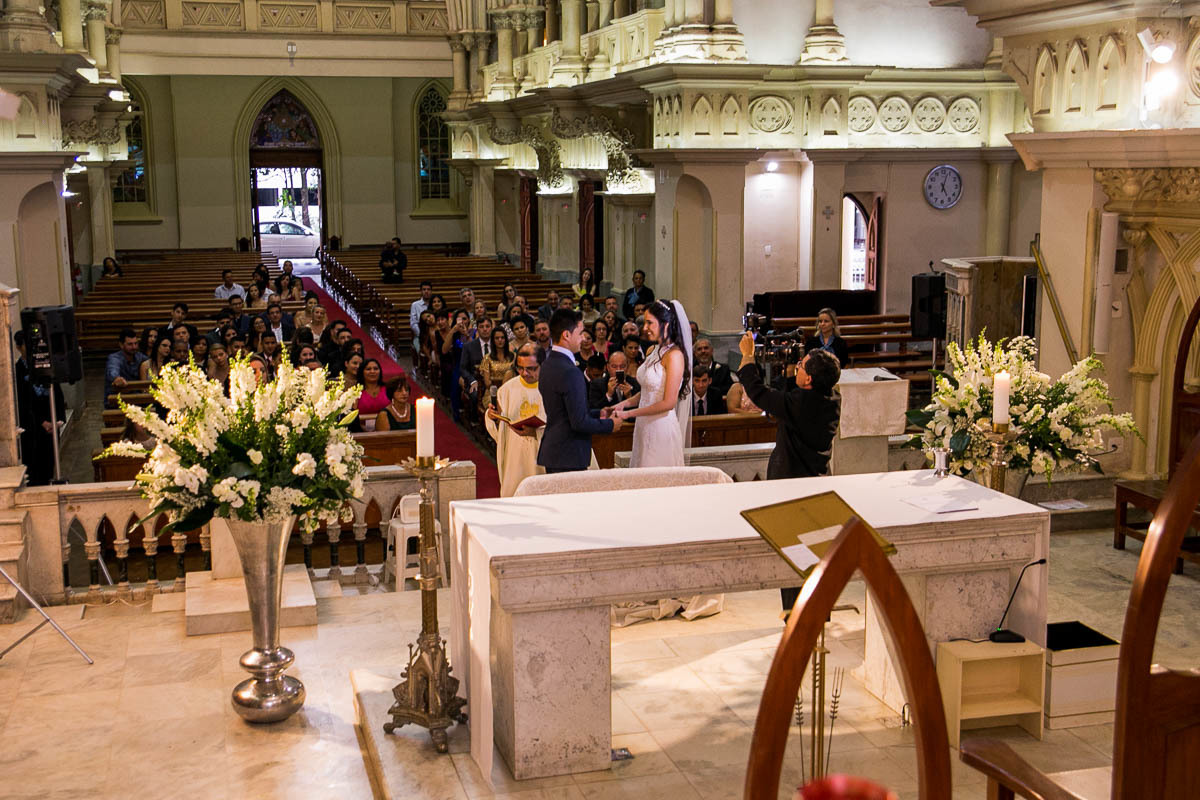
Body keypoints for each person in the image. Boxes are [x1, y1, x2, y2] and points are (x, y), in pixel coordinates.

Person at [737, 331, 842, 613]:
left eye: (802, 366)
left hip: (791, 485)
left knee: (794, 555)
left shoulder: (801, 403)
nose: (797, 367)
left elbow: (759, 393)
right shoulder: (831, 398)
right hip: (815, 484)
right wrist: (788, 372)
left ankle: (795, 616)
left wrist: (748, 357)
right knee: (814, 554)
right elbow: (790, 397)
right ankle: (815, 613)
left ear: (809, 380)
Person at [537, 309, 622, 473]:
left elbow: (565, 412)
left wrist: (598, 413)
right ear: (566, 335)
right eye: (580, 332)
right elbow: (579, 422)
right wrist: (610, 425)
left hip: (557, 451)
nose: (583, 338)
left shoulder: (548, 364)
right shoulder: (570, 371)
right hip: (569, 453)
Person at [609, 300, 691, 468]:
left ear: (665, 324)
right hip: (644, 426)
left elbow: (668, 403)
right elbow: (648, 390)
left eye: (649, 323)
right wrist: (623, 404)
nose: (645, 328)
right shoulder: (652, 350)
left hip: (661, 427)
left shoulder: (675, 356)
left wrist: (629, 414)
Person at [486, 344, 548, 496]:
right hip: (515, 455)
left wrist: (536, 432)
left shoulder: (553, 388)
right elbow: (500, 431)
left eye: (531, 369)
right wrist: (493, 417)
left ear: (543, 365)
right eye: (520, 368)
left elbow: (562, 426)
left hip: (543, 454)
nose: (524, 373)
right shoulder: (506, 390)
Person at [14, 331, 63, 485]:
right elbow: (22, 402)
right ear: (18, 347)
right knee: (34, 469)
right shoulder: (17, 371)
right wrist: (42, 422)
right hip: (32, 428)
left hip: (51, 423)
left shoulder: (44, 365)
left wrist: (58, 419)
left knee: (49, 464)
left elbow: (57, 393)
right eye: (26, 345)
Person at [476, 326, 516, 412]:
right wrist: (501, 389)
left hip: (511, 391)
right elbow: (487, 383)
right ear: (493, 341)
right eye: (497, 338)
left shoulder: (513, 356)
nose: (500, 340)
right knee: (501, 405)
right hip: (493, 393)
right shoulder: (487, 358)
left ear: (506, 339)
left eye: (502, 337)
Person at [105, 327, 148, 403]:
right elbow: (112, 369)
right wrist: (116, 378)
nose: (134, 347)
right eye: (130, 344)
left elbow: (151, 362)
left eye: (135, 343)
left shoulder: (139, 356)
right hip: (118, 401)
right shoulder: (115, 358)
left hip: (137, 399)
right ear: (121, 345)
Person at [355, 359, 390, 431]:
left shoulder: (388, 388)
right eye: (368, 369)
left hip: (387, 430)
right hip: (361, 431)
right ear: (362, 372)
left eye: (375, 369)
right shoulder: (356, 391)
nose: (372, 371)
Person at [409, 281, 433, 352]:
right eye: (424, 289)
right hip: (420, 336)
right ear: (421, 291)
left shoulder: (434, 303)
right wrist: (422, 335)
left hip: (434, 334)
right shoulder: (415, 305)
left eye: (428, 289)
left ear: (431, 291)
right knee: (423, 351)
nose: (426, 291)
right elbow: (413, 323)